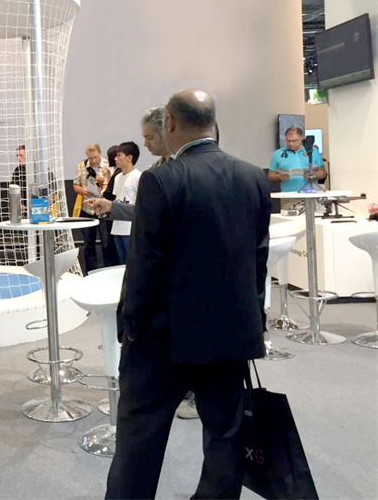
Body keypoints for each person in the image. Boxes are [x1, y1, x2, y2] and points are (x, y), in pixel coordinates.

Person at [102, 90, 271, 500]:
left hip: (163, 338)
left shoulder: (162, 180)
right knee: (225, 436)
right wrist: (254, 322)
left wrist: (130, 324)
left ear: (171, 124)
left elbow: (144, 265)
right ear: (212, 123)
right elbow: (258, 260)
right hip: (231, 334)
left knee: (139, 439)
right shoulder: (254, 177)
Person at [90, 107, 200, 419]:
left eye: (150, 137)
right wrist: (113, 207)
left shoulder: (182, 170)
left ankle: (195, 393)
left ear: (169, 130)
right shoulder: (157, 169)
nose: (146, 144)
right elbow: (147, 213)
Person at [73, 143, 112, 272]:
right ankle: (90, 271)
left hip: (103, 208)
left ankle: (108, 271)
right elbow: (75, 185)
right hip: (87, 209)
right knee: (88, 244)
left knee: (106, 243)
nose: (93, 161)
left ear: (100, 153)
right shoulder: (82, 166)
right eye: (90, 158)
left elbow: (113, 185)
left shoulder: (108, 165)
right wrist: (82, 190)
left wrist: (104, 181)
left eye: (95, 157)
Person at [108, 141, 141, 264]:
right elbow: (117, 198)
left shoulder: (138, 176)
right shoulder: (117, 177)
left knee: (132, 262)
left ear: (129, 158)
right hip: (117, 227)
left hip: (130, 228)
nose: (115, 159)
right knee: (122, 263)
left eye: (119, 155)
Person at [268, 126, 325, 192]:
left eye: (294, 141)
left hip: (310, 193)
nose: (291, 144)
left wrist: (314, 175)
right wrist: (279, 177)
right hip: (288, 195)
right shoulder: (277, 154)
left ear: (301, 139)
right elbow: (270, 175)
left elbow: (323, 173)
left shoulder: (313, 151)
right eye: (288, 141)